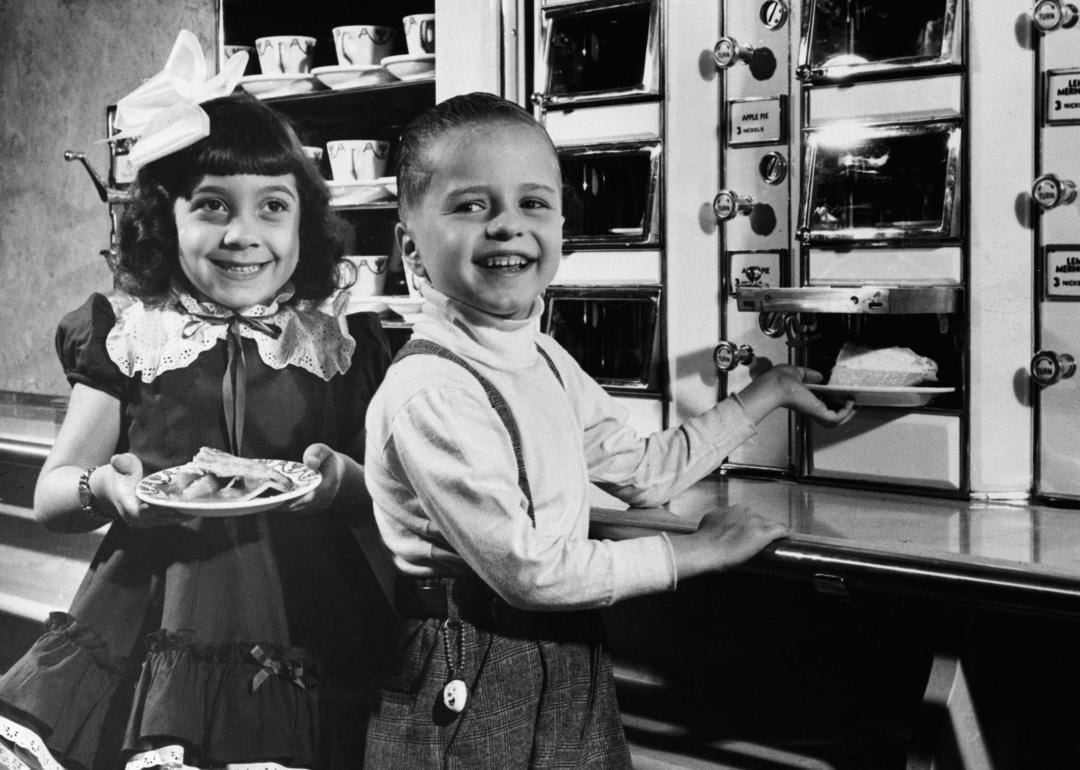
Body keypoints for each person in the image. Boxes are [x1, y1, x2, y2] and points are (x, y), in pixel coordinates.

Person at [361, 91, 855, 768]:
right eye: (472, 205)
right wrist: (692, 555)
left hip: (564, 654)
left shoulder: (541, 359)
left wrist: (764, 395)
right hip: (465, 664)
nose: (507, 226)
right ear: (409, 242)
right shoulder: (431, 391)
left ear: (562, 224)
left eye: (533, 203)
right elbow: (530, 573)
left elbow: (644, 471)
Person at [0, 32, 394, 770]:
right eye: (212, 205)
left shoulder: (339, 345)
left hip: (314, 615)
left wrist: (348, 487)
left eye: (272, 206)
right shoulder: (129, 334)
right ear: (161, 219)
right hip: (149, 624)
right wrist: (106, 490)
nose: (244, 233)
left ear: (302, 223)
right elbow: (54, 496)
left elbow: (398, 497)